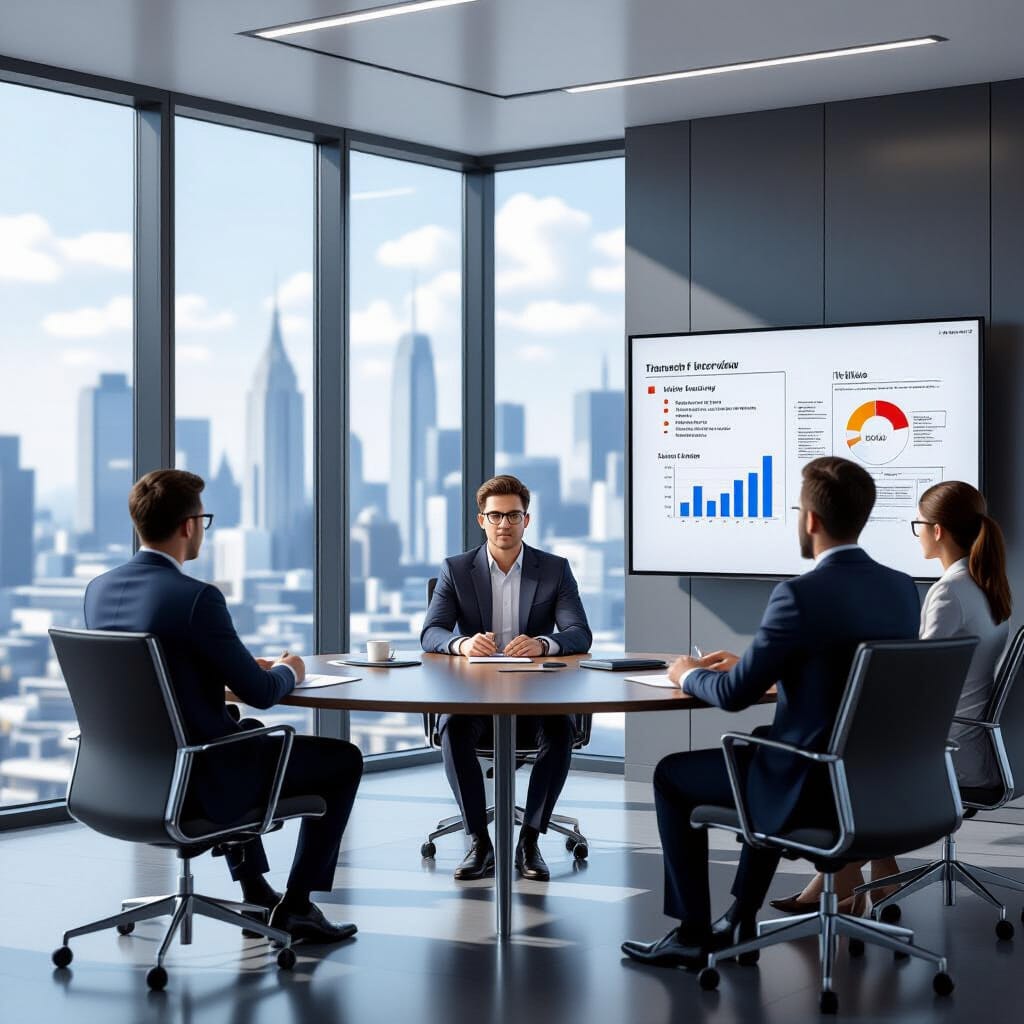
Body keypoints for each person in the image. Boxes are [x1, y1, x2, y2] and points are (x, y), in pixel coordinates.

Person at [621, 456, 920, 970]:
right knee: (762, 742)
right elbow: (848, 676)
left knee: (673, 775)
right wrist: (773, 666)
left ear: (810, 520)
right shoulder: (901, 588)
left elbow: (734, 694)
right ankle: (738, 915)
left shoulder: (800, 595)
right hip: (876, 782)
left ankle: (692, 932)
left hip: (811, 788)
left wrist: (685, 673)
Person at [84, 469, 363, 944]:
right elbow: (261, 691)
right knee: (343, 760)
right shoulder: (197, 598)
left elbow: (153, 669)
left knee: (238, 726)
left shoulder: (100, 590)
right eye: (203, 519)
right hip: (195, 784)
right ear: (189, 526)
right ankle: (297, 906)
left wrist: (221, 665)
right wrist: (290, 669)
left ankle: (255, 888)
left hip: (121, 780)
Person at [770, 480, 1013, 914]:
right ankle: (879, 882)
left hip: (946, 748)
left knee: (837, 761)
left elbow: (916, 681)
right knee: (864, 758)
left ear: (936, 530)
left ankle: (835, 890)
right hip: (970, 743)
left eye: (919, 524)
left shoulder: (949, 592)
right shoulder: (986, 587)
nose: (918, 533)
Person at [420, 474, 592, 882]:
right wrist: (461, 645)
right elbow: (431, 632)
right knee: (455, 730)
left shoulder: (553, 570)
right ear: (481, 520)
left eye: (513, 515)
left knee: (559, 733)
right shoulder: (457, 570)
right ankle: (479, 841)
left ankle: (529, 839)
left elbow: (579, 633)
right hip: (475, 697)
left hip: (536, 698)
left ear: (526, 520)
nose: (504, 524)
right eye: (495, 516)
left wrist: (544, 645)